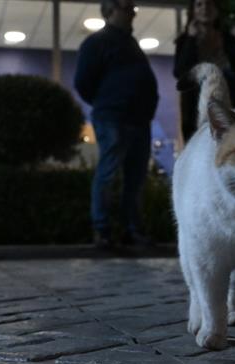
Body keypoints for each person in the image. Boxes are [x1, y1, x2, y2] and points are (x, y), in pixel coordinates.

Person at [74, 0, 159, 248]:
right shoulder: (96, 42)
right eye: (126, 6)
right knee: (109, 172)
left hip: (138, 119)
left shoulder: (130, 43)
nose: (132, 11)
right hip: (114, 116)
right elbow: (83, 82)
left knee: (135, 178)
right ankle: (103, 230)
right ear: (110, 10)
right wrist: (108, 103)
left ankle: (131, 230)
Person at [173, 0, 235, 140]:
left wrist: (223, 71)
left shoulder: (231, 41)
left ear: (217, 9)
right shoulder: (184, 40)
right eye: (199, 4)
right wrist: (190, 40)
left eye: (210, 3)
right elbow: (179, 74)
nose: (205, 8)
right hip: (194, 109)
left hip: (229, 105)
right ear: (193, 10)